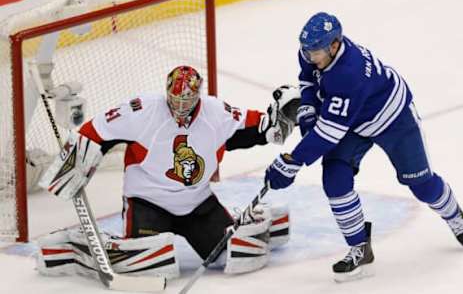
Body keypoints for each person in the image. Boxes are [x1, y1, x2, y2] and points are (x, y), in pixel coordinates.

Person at [264, 12, 463, 282]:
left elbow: (328, 134)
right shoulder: (311, 52)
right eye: (306, 50)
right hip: (353, 120)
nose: (309, 56)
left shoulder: (348, 73)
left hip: (394, 120)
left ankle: (453, 214)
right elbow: (307, 79)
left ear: (335, 45)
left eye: (315, 52)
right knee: (335, 178)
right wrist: (307, 108)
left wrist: (292, 160)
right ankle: (360, 248)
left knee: (421, 184)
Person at [37, 66, 299, 279]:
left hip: (197, 204)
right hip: (148, 202)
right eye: (175, 99)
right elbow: (98, 130)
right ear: (167, 93)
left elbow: (257, 127)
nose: (180, 106)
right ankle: (78, 246)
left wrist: (281, 120)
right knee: (147, 265)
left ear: (198, 96)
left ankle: (254, 217)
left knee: (235, 255)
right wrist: (75, 162)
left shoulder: (215, 111)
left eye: (187, 100)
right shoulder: (142, 110)